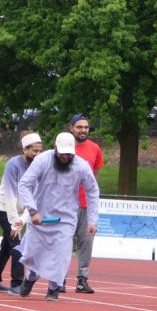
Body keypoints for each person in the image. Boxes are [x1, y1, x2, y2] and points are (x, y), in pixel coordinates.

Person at [10, 132, 98, 301]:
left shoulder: (81, 166)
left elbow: (92, 191)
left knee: (61, 254)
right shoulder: (42, 160)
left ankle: (53, 288)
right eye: (61, 153)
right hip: (40, 216)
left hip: (65, 219)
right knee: (35, 253)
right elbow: (24, 185)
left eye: (68, 154)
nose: (65, 157)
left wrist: (92, 220)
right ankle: (31, 277)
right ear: (55, 149)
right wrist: (33, 211)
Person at [0, 132, 43, 292]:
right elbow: (10, 195)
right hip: (3, 210)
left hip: (20, 214)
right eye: (34, 151)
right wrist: (14, 222)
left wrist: (23, 220)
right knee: (17, 246)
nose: (37, 154)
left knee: (6, 247)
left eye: (40, 151)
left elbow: (34, 197)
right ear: (25, 149)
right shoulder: (13, 165)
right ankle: (17, 283)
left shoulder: (38, 168)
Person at [68, 114, 103, 293]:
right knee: (64, 242)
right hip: (66, 205)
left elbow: (94, 178)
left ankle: (82, 279)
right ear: (71, 128)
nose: (83, 130)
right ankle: (58, 279)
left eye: (86, 127)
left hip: (85, 205)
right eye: (79, 127)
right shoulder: (64, 147)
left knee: (86, 242)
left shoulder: (95, 149)